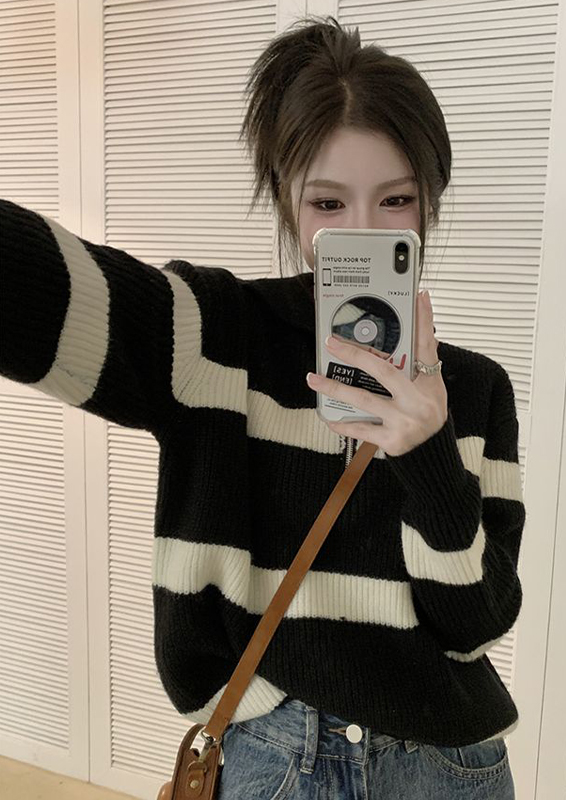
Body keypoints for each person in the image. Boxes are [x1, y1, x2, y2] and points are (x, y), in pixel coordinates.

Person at [0, 14, 524, 799]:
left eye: (395, 200)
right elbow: (46, 290)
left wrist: (428, 457)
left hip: (446, 768)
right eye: (328, 204)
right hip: (278, 760)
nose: (361, 234)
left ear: (429, 205)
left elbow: (480, 623)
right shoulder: (216, 337)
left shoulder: (477, 391)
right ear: (289, 203)